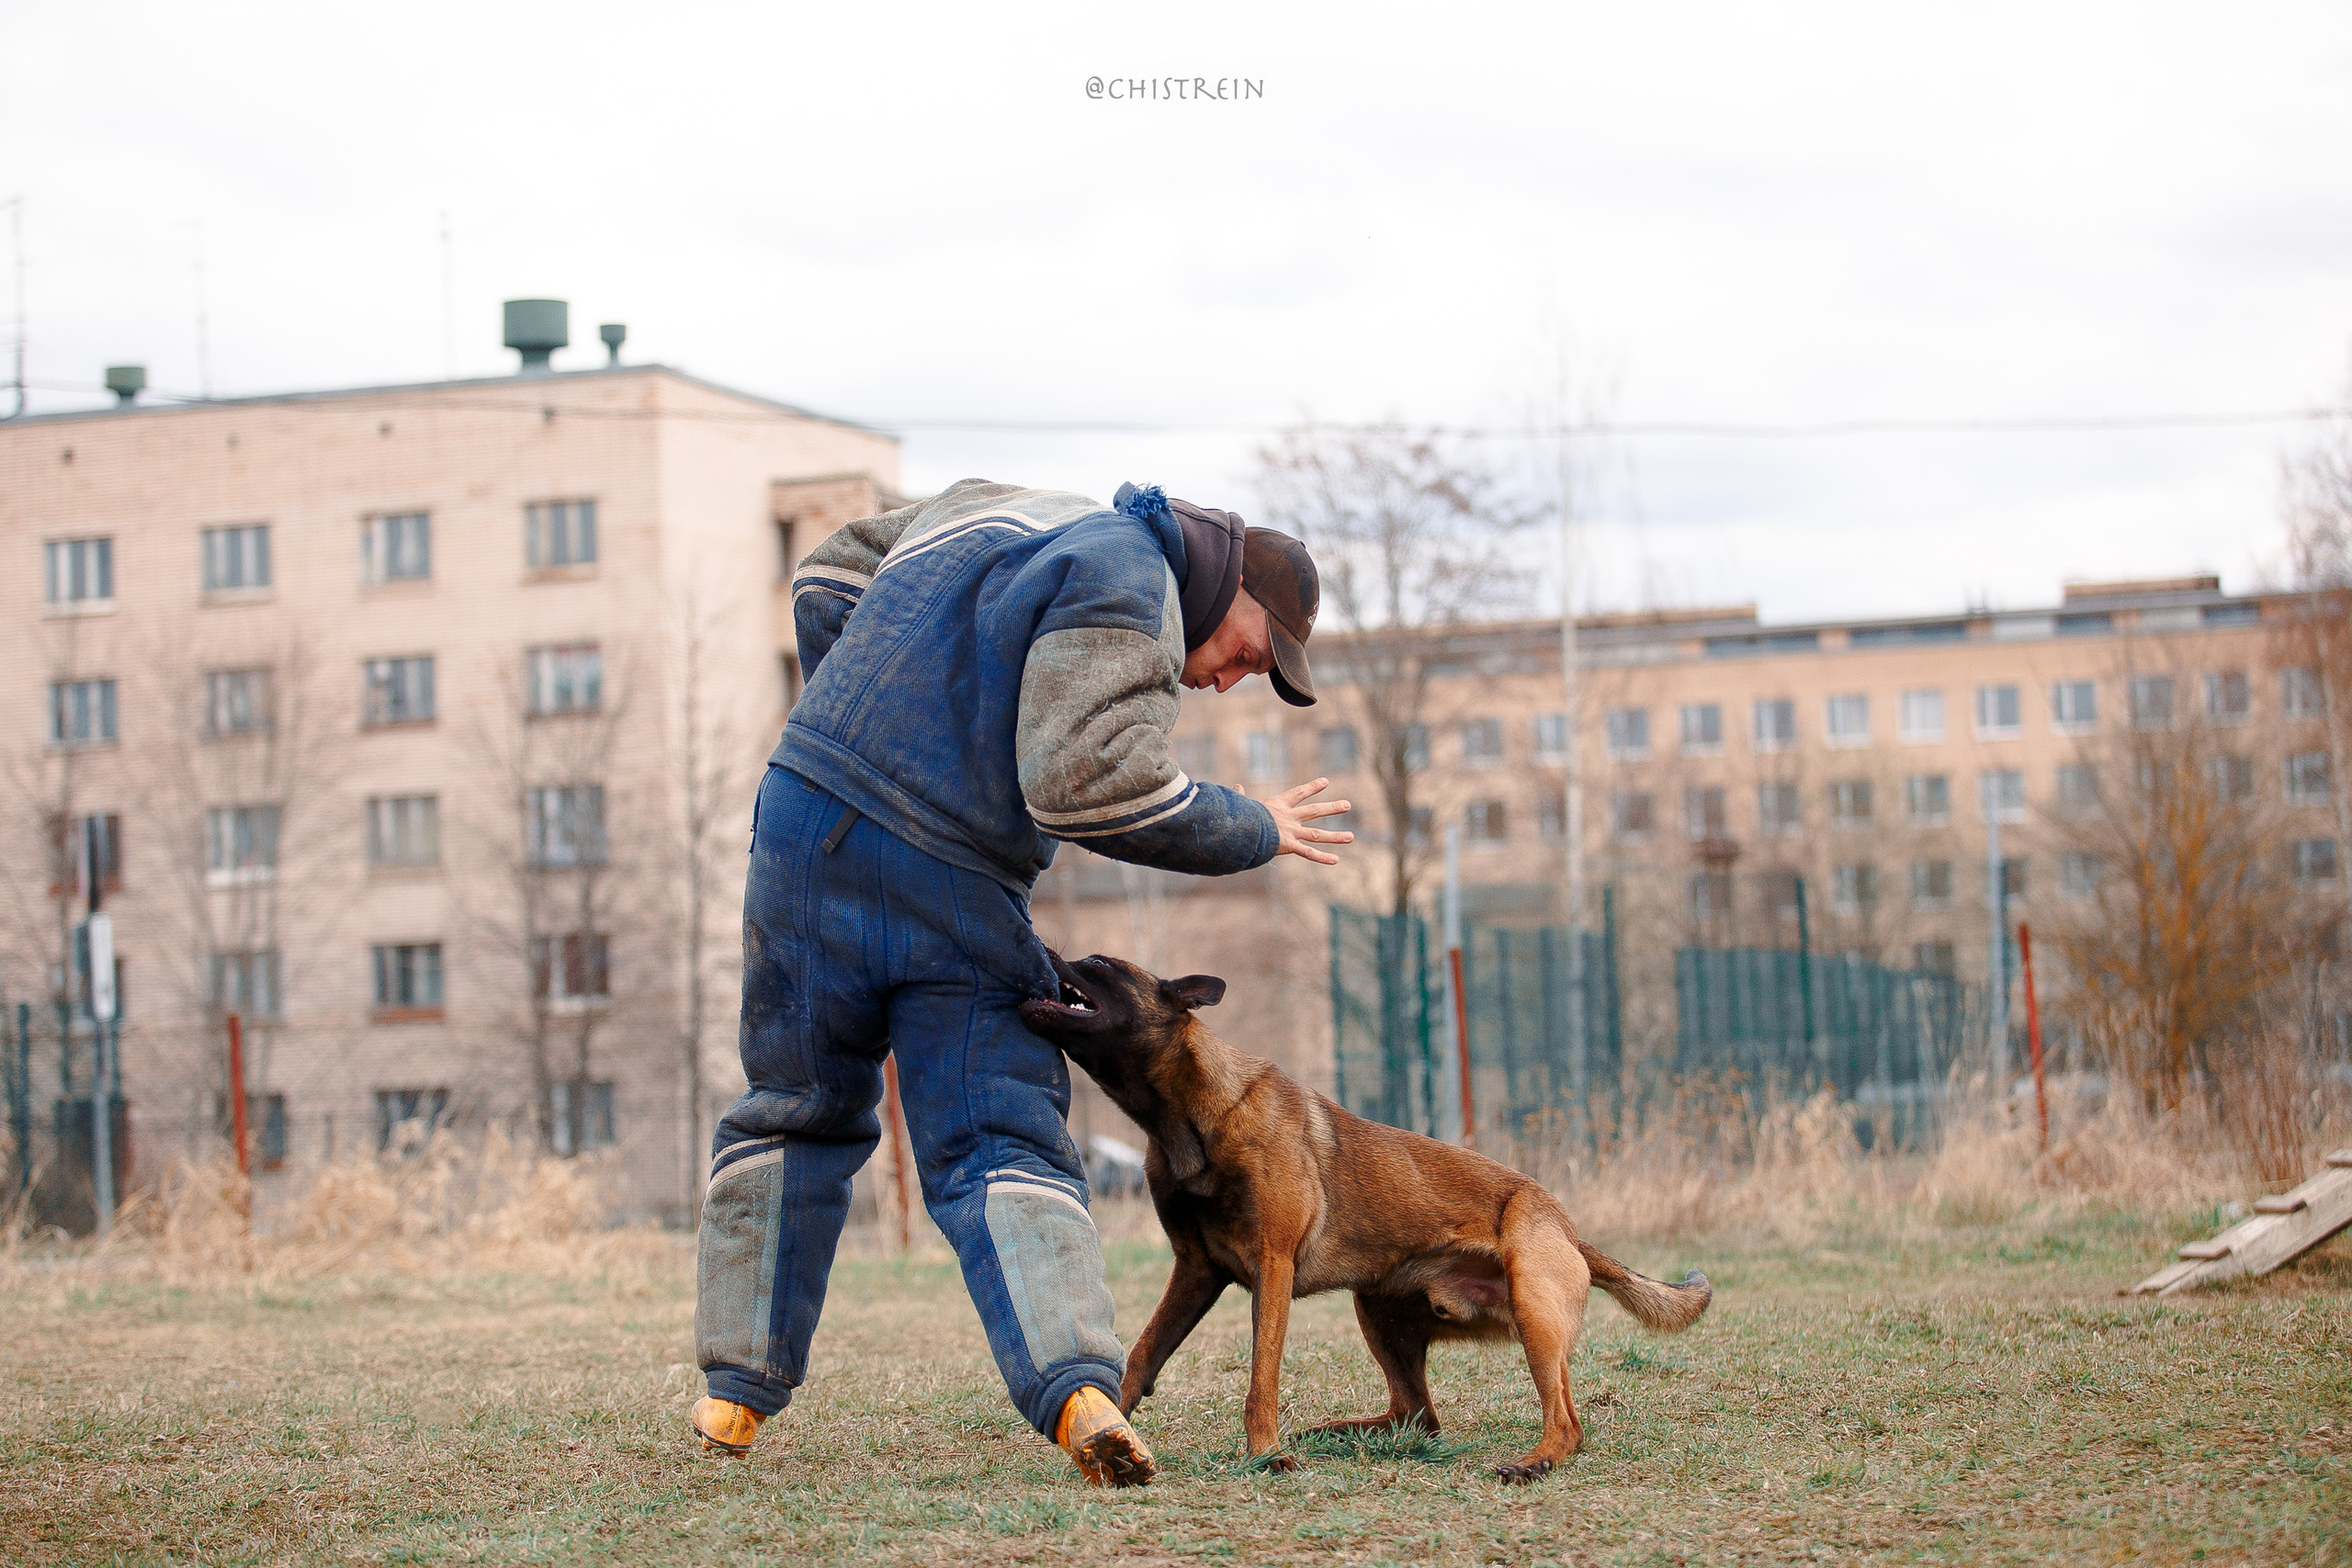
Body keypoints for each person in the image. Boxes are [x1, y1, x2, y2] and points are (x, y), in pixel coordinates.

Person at [689, 478, 1352, 1485]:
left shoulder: (998, 506)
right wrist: (1253, 826)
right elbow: (1087, 785)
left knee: (792, 1107)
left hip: (800, 830)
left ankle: (733, 1393)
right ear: (1231, 591)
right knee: (996, 1129)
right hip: (948, 875)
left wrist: (866, 715)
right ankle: (1081, 1394)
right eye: (1253, 655)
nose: (1231, 679)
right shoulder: (1136, 581)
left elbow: (827, 573)